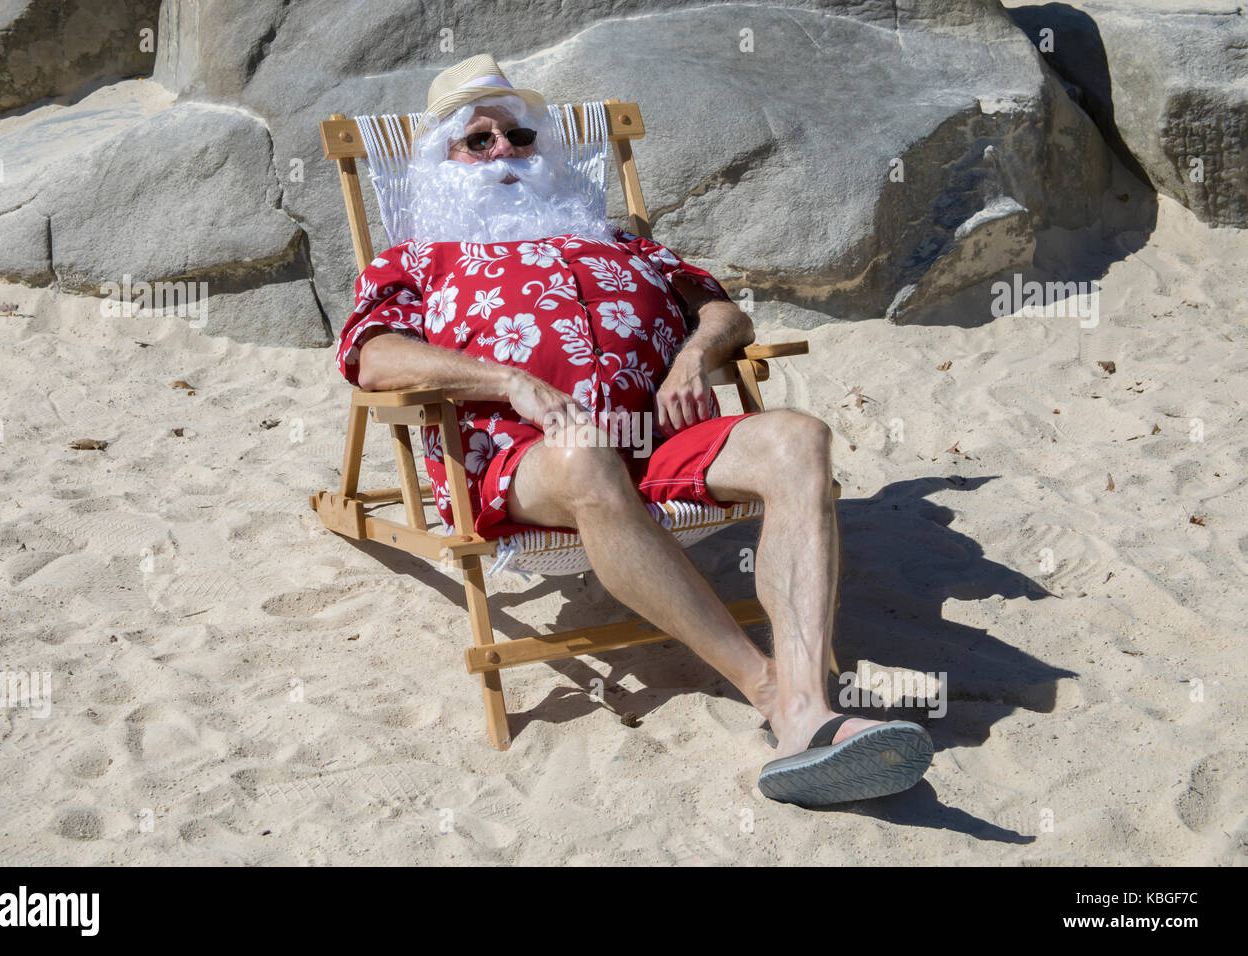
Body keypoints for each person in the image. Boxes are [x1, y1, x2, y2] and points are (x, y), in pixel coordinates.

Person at [335, 54, 933, 806]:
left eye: (519, 136)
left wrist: (694, 354)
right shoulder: (416, 258)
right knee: (587, 460)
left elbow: (723, 310)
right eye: (477, 142)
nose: (504, 154)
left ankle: (810, 702)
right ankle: (770, 693)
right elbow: (373, 356)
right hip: (525, 458)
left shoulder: (619, 239)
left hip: (659, 440)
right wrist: (509, 381)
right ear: (442, 160)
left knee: (798, 437)